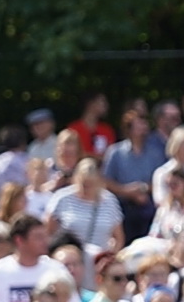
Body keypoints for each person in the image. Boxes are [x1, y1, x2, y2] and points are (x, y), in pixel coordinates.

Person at [102, 109, 165, 242]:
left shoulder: (156, 153)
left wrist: (142, 189)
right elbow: (106, 181)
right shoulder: (115, 152)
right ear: (129, 129)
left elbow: (162, 179)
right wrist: (127, 191)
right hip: (122, 206)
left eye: (145, 124)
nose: (144, 128)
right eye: (139, 125)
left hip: (148, 205)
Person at [45, 158, 125, 256]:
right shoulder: (62, 198)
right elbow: (48, 232)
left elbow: (119, 238)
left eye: (90, 184)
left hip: (99, 260)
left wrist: (111, 257)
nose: (86, 188)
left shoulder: (110, 201)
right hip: (70, 259)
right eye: (83, 184)